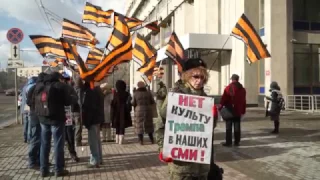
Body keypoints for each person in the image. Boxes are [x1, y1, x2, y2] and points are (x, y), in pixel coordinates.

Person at [156, 58, 211, 179]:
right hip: (181, 166)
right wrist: (162, 147)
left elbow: (208, 131)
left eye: (202, 77)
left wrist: (214, 117)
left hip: (201, 166)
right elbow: (161, 123)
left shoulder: (206, 99)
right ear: (186, 76)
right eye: (195, 76)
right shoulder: (175, 96)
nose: (199, 81)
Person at [35, 72, 76, 177]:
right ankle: (59, 169)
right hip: (57, 119)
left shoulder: (40, 86)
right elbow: (67, 101)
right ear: (58, 78)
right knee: (58, 145)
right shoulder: (60, 86)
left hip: (43, 118)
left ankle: (43, 170)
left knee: (44, 144)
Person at [219, 74, 246, 147]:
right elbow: (244, 101)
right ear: (238, 79)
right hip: (238, 110)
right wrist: (243, 110)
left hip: (230, 110)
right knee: (237, 126)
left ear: (232, 79)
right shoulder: (242, 89)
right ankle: (237, 142)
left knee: (229, 127)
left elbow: (224, 98)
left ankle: (229, 142)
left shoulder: (228, 88)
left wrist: (220, 107)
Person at [81, 81, 104, 168]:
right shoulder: (97, 91)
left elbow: (89, 108)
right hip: (97, 119)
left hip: (92, 120)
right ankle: (99, 158)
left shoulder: (90, 93)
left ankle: (94, 160)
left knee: (93, 141)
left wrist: (87, 121)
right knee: (97, 140)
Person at [61, 73, 80, 162]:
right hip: (67, 115)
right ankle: (72, 154)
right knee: (69, 136)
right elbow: (75, 99)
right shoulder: (69, 88)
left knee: (63, 137)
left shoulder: (58, 88)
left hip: (62, 116)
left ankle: (63, 156)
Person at [24, 76, 40, 169]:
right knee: (35, 138)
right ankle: (32, 161)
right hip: (36, 115)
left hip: (32, 114)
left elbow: (28, 102)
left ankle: (35, 160)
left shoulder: (27, 87)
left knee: (34, 137)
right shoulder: (34, 87)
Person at [111, 80, 132, 144]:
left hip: (116, 112)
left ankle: (117, 139)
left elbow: (113, 104)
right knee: (122, 126)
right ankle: (121, 140)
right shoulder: (127, 94)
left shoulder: (116, 94)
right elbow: (129, 103)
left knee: (117, 125)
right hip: (124, 112)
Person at [21, 77, 37, 143]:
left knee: (26, 123)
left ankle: (25, 137)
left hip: (24, 107)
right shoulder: (32, 87)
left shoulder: (24, 87)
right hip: (30, 107)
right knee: (30, 123)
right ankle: (29, 138)